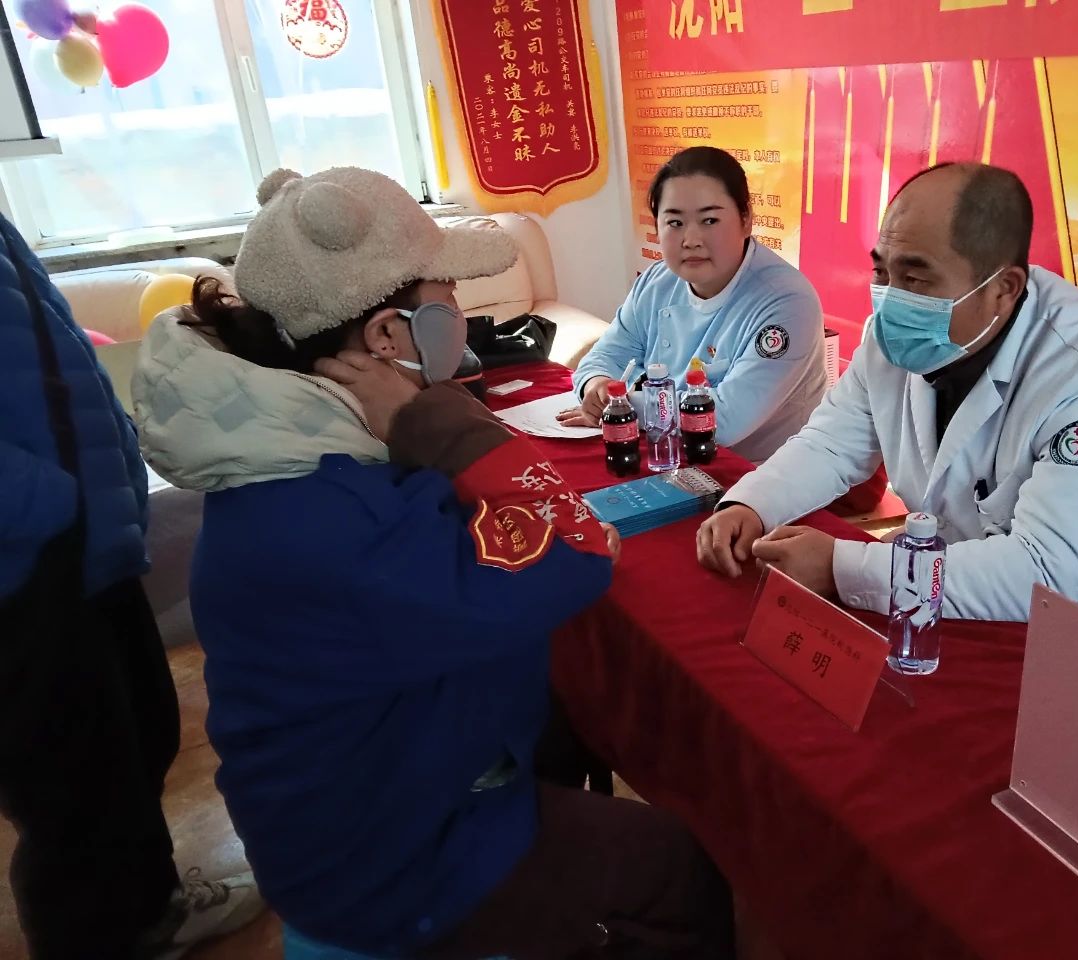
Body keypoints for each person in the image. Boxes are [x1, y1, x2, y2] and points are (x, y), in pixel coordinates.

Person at [131, 166, 734, 958]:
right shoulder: (326, 515)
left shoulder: (307, 454)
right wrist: (439, 418)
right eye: (448, 302)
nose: (464, 321)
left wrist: (428, 415)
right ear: (389, 336)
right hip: (388, 855)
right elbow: (576, 546)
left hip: (386, 781)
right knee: (679, 871)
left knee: (571, 724)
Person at [697, 163, 1078, 668]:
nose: (891, 301)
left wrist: (840, 567)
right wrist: (752, 505)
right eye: (882, 271)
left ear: (1003, 288)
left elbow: (1042, 571)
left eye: (916, 278)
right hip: (954, 585)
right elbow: (832, 445)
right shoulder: (894, 338)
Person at [0, 215, 263, 960]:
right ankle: (98, 937)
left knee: (133, 742)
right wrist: (54, 504)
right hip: (29, 560)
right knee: (68, 786)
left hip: (86, 548)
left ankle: (150, 911)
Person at [559, 146, 827, 462]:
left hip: (764, 469)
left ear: (746, 220)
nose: (691, 240)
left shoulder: (787, 302)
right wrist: (597, 386)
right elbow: (605, 355)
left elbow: (724, 421)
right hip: (673, 453)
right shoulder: (657, 281)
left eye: (710, 220)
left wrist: (622, 405)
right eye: (675, 223)